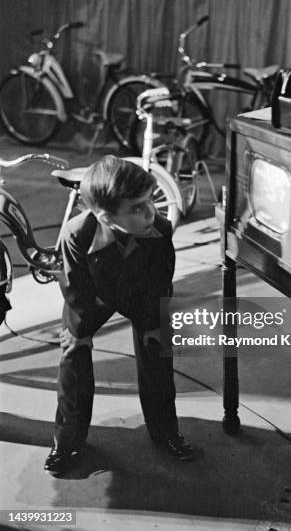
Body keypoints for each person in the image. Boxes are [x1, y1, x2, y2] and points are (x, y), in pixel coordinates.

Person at [44, 155, 194, 476]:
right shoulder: (76, 234)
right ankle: (67, 440)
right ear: (104, 216)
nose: (149, 213)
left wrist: (153, 326)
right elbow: (76, 293)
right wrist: (80, 333)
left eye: (149, 201)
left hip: (141, 294)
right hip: (93, 297)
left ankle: (166, 432)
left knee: (157, 346)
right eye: (136, 208)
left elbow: (160, 283)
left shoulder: (160, 228)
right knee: (73, 349)